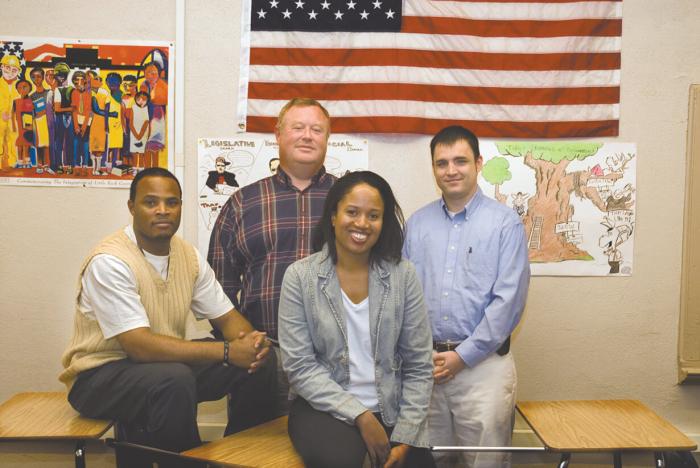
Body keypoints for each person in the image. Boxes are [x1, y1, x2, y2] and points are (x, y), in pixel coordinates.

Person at [59, 167, 277, 468]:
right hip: (98, 377)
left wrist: (252, 346)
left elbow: (227, 319)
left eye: (172, 203)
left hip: (163, 368)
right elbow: (139, 346)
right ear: (132, 207)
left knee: (260, 363)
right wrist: (227, 351)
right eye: (151, 202)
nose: (163, 210)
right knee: (173, 378)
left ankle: (240, 459)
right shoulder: (110, 261)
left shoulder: (186, 255)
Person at [279, 171, 435, 468]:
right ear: (334, 216)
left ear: (383, 222)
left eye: (373, 215)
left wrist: (406, 435)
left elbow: (418, 365)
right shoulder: (300, 276)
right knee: (342, 460)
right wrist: (360, 415)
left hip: (391, 407)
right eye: (352, 212)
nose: (362, 223)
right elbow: (300, 367)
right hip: (322, 408)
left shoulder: (403, 275)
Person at [403, 126, 530, 468]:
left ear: (478, 163)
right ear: (434, 169)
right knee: (431, 460)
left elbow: (509, 301)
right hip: (426, 368)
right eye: (442, 163)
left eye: (460, 160)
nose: (451, 170)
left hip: (483, 368)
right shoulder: (416, 225)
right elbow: (404, 295)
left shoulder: (505, 224)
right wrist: (420, 353)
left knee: (484, 462)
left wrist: (462, 356)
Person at [208, 97, 336, 416]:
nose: (307, 135)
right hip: (263, 362)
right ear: (278, 135)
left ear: (327, 139)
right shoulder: (242, 204)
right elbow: (215, 290)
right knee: (253, 453)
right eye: (298, 127)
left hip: (335, 362)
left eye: (316, 129)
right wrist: (245, 344)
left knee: (328, 453)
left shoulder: (350, 201)